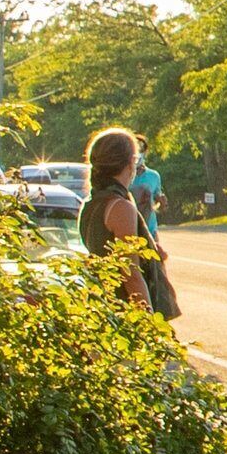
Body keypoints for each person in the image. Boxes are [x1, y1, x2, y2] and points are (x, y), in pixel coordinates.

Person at [82, 126, 163, 313]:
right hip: (121, 310)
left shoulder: (92, 202)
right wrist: (148, 323)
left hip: (100, 305)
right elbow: (130, 273)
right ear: (129, 163)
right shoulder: (120, 207)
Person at [128, 154, 184, 321]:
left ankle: (161, 310)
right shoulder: (124, 178)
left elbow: (158, 198)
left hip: (149, 229)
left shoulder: (153, 176)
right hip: (130, 228)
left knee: (156, 271)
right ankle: (147, 314)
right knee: (135, 270)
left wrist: (161, 201)